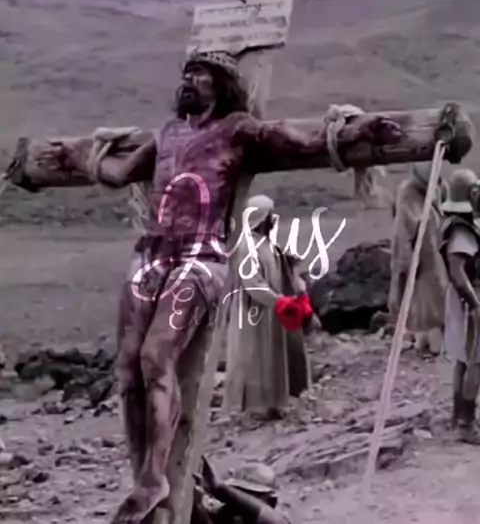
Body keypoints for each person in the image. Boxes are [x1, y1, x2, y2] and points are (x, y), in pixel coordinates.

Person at [38, 50, 401, 523]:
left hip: (199, 256)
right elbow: (119, 174)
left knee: (155, 358)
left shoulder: (238, 129)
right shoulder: (167, 133)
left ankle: (155, 477)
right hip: (152, 253)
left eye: (201, 74)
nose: (189, 80)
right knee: (127, 368)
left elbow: (300, 141)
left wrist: (354, 133)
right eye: (186, 72)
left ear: (222, 85)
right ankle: (142, 475)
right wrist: (80, 158)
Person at [223, 194, 311, 419]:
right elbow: (253, 284)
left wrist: (290, 264)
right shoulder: (246, 246)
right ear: (262, 218)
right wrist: (279, 301)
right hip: (253, 313)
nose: (274, 218)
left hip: (272, 312)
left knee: (272, 357)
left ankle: (274, 403)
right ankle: (254, 408)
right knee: (255, 357)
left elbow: (279, 264)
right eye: (271, 214)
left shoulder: (265, 243)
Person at [388, 163, 448, 354]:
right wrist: (404, 267)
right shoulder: (408, 194)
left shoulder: (439, 188)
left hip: (435, 256)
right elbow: (402, 235)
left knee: (435, 299)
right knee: (426, 302)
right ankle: (427, 341)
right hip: (422, 262)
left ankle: (431, 341)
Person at [440, 168, 480, 444]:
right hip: (470, 299)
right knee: (476, 361)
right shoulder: (461, 231)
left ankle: (458, 418)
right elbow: (457, 270)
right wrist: (476, 305)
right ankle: (465, 424)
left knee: (464, 359)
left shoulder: (456, 225)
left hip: (463, 299)